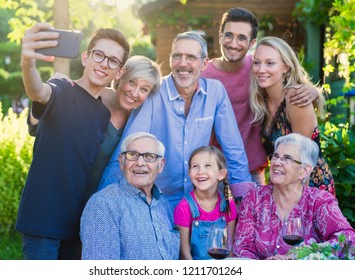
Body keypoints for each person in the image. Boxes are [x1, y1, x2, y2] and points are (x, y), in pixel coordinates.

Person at [99, 31, 255, 208]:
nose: (183, 63)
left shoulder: (215, 92)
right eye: (177, 56)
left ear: (204, 64)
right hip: (158, 202)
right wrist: (103, 202)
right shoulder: (155, 93)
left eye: (190, 57)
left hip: (200, 202)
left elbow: (233, 149)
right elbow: (128, 148)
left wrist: (246, 202)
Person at [16, 22, 130, 260]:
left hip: (76, 224)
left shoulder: (103, 114)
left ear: (119, 71)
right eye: (99, 55)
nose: (104, 64)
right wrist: (27, 64)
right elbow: (39, 91)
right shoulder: (62, 88)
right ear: (86, 57)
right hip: (42, 218)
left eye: (113, 61)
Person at [201, 7, 319, 186]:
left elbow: (284, 80)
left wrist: (313, 91)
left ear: (252, 43)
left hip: (253, 170)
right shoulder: (203, 75)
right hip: (213, 170)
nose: (234, 43)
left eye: (242, 37)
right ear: (220, 36)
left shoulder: (256, 67)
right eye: (229, 35)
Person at [27, 55, 162, 200]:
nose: (135, 93)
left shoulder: (137, 123)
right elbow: (37, 128)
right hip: (62, 195)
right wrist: (52, 90)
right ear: (120, 76)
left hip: (102, 203)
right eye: (131, 82)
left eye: (144, 89)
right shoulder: (90, 96)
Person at [233, 133, 355, 260]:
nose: (277, 162)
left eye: (287, 158)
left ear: (304, 171)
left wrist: (306, 254)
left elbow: (348, 239)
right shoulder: (255, 198)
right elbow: (242, 247)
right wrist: (264, 265)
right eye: (275, 156)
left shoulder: (319, 202)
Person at [250, 36, 335, 195]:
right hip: (283, 187)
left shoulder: (295, 98)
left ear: (286, 67)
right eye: (256, 62)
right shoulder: (261, 101)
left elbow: (303, 160)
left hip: (309, 189)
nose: (261, 69)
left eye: (270, 63)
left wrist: (298, 204)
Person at [80, 132, 180, 260]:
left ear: (160, 165)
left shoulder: (165, 206)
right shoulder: (103, 204)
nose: (140, 162)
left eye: (149, 156)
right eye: (132, 155)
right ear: (121, 162)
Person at [174, 146, 237, 260]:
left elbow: (229, 248)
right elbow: (184, 253)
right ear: (189, 173)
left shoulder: (228, 204)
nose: (201, 171)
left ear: (221, 174)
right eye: (195, 166)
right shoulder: (184, 207)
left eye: (207, 166)